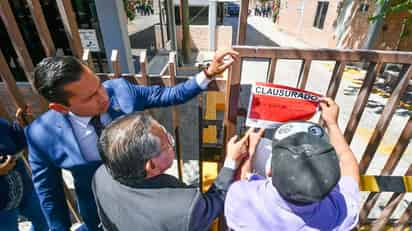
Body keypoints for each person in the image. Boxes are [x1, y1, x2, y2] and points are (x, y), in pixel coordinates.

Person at [25, 49, 239, 231]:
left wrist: (208, 74)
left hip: (151, 203)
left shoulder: (119, 90)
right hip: (101, 213)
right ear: (61, 107)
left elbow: (167, 95)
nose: (103, 96)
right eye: (90, 97)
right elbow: (49, 192)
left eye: (99, 85)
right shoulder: (40, 135)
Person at [92, 112, 259, 231]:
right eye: (168, 143)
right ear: (151, 165)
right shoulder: (185, 208)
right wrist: (231, 162)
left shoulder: (100, 175)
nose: (172, 142)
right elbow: (214, 203)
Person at [225, 98, 361, 231]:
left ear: (269, 171)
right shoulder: (342, 214)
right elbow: (346, 162)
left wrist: (250, 153)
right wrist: (332, 124)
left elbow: (243, 181)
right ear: (331, 180)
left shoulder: (239, 199)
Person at [0, 108, 48, 231]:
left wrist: (21, 126)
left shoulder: (2, 124)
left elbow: (18, 144)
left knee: (44, 220)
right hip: (2, 206)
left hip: (24, 190)